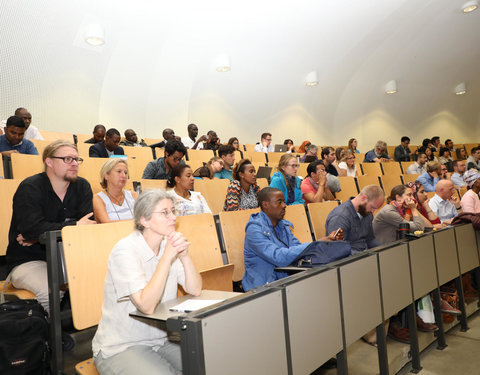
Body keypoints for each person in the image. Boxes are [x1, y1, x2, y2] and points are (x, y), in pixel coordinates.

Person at [92, 189, 202, 375]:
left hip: (163, 339)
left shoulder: (169, 245)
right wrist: (167, 259)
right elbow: (147, 306)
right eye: (165, 212)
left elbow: (195, 289)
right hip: (123, 345)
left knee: (209, 365)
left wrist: (184, 256)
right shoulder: (125, 251)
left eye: (173, 211)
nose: (173, 217)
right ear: (144, 220)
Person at [6, 140, 95, 315]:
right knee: (51, 291)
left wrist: (42, 234)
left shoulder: (82, 186)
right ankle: (47, 339)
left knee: (103, 278)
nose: (75, 164)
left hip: (67, 258)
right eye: (68, 159)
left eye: (77, 159)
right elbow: (32, 229)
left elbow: (87, 228)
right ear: (49, 162)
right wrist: (74, 225)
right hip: (29, 260)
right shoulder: (30, 187)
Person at [242, 187, 342, 292]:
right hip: (262, 288)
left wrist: (325, 242)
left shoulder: (283, 225)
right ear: (265, 205)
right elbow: (278, 257)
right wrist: (316, 243)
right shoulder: (254, 230)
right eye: (279, 202)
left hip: (285, 282)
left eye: (284, 202)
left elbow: (298, 250)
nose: (284, 206)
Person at [325, 185, 385, 254]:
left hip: (364, 255)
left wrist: (383, 250)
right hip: (350, 259)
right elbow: (337, 249)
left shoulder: (366, 213)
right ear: (364, 198)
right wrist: (364, 256)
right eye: (372, 207)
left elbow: (370, 240)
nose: (372, 211)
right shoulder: (340, 217)